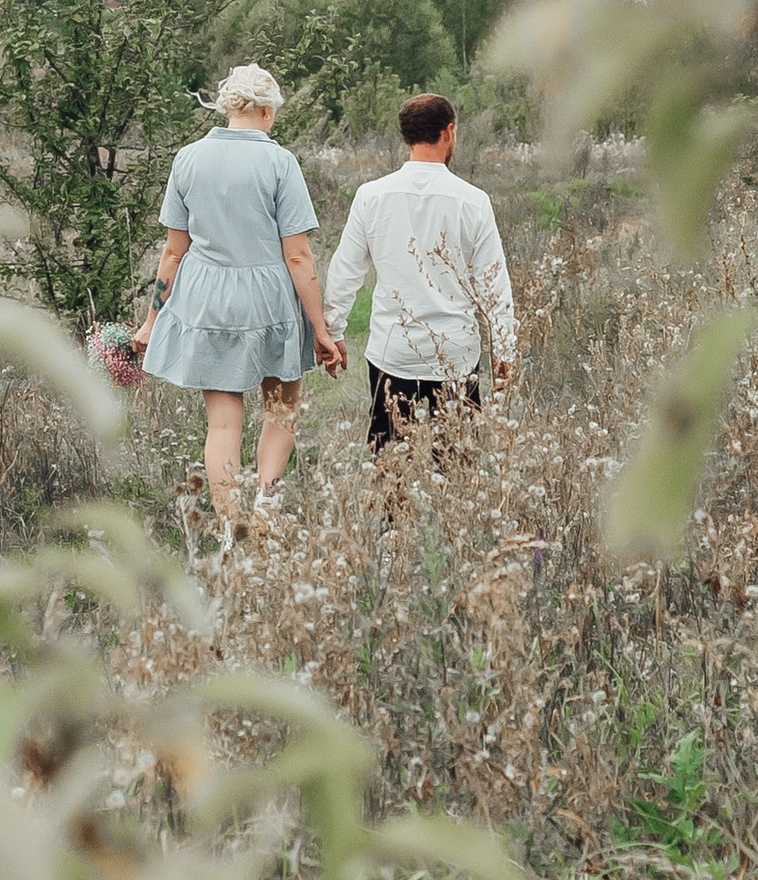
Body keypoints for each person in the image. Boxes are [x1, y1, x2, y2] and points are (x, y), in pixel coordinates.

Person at [141, 64, 347, 536]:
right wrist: (321, 329)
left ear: (228, 107)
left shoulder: (188, 158)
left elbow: (175, 250)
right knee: (281, 410)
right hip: (269, 302)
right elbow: (297, 256)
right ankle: (265, 511)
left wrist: (151, 321)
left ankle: (232, 531)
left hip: (207, 300)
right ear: (268, 110)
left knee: (222, 426)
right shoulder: (280, 162)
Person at [324, 92, 515, 452]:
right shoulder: (472, 201)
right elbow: (494, 284)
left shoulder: (371, 196)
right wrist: (505, 349)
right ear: (449, 131)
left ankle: (396, 511)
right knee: (459, 463)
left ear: (407, 136)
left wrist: (333, 332)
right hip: (456, 353)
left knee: (391, 458)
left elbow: (345, 271)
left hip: (393, 350)